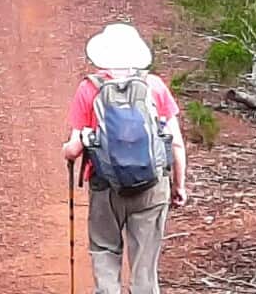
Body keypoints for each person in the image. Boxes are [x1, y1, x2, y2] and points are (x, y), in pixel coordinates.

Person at [62, 23, 188, 294]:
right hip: (152, 187)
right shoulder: (154, 86)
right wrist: (179, 186)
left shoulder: (90, 88)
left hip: (105, 187)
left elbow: (74, 149)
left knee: (105, 249)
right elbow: (175, 142)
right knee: (145, 263)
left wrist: (68, 150)